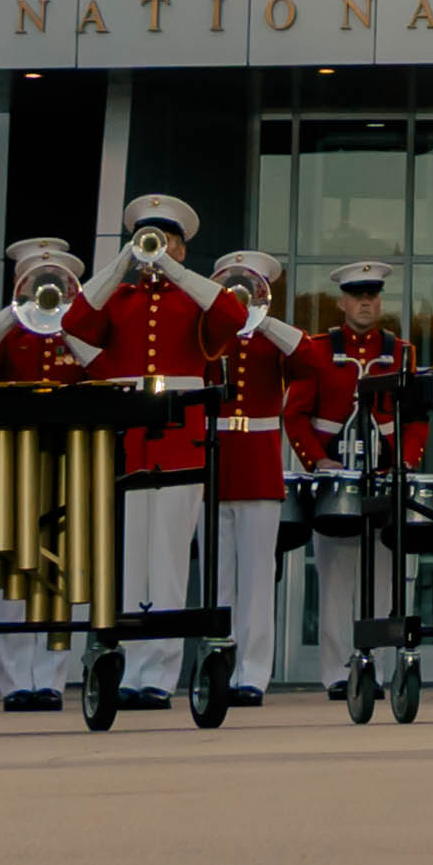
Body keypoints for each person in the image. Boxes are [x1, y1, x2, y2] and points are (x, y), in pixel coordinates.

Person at [73, 192, 245, 709]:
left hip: (180, 442)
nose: (156, 248)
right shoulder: (119, 299)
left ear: (182, 249)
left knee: (168, 559)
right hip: (127, 445)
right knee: (125, 559)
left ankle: (159, 675)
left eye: (167, 240)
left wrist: (173, 270)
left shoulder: (194, 299)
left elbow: (233, 316)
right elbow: (74, 322)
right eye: (150, 238)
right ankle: (122, 667)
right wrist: (123, 261)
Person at [0, 240, 103, 706]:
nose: (47, 290)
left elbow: (105, 371)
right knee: (13, 570)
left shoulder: (78, 335)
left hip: (68, 459)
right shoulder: (10, 333)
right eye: (36, 282)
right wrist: (13, 312)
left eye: (56, 283)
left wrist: (70, 323)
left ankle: (48, 677)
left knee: (59, 570)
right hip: (16, 460)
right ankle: (14, 680)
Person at [288, 260, 408, 705]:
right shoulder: (318, 351)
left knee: (381, 581)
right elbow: (294, 414)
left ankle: (374, 666)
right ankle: (339, 673)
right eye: (357, 296)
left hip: (382, 479)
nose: (365, 303)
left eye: (372, 296)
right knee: (337, 582)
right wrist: (317, 461)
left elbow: (414, 419)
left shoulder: (401, 351)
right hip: (336, 479)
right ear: (341, 303)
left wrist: (404, 462)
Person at [198, 245, 309, 707]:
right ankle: (216, 665)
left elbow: (314, 363)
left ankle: (253, 674)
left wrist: (262, 320)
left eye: (247, 289)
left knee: (257, 581)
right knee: (215, 580)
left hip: (260, 468)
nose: (239, 297)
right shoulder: (210, 337)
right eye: (231, 287)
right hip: (217, 464)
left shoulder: (271, 339)